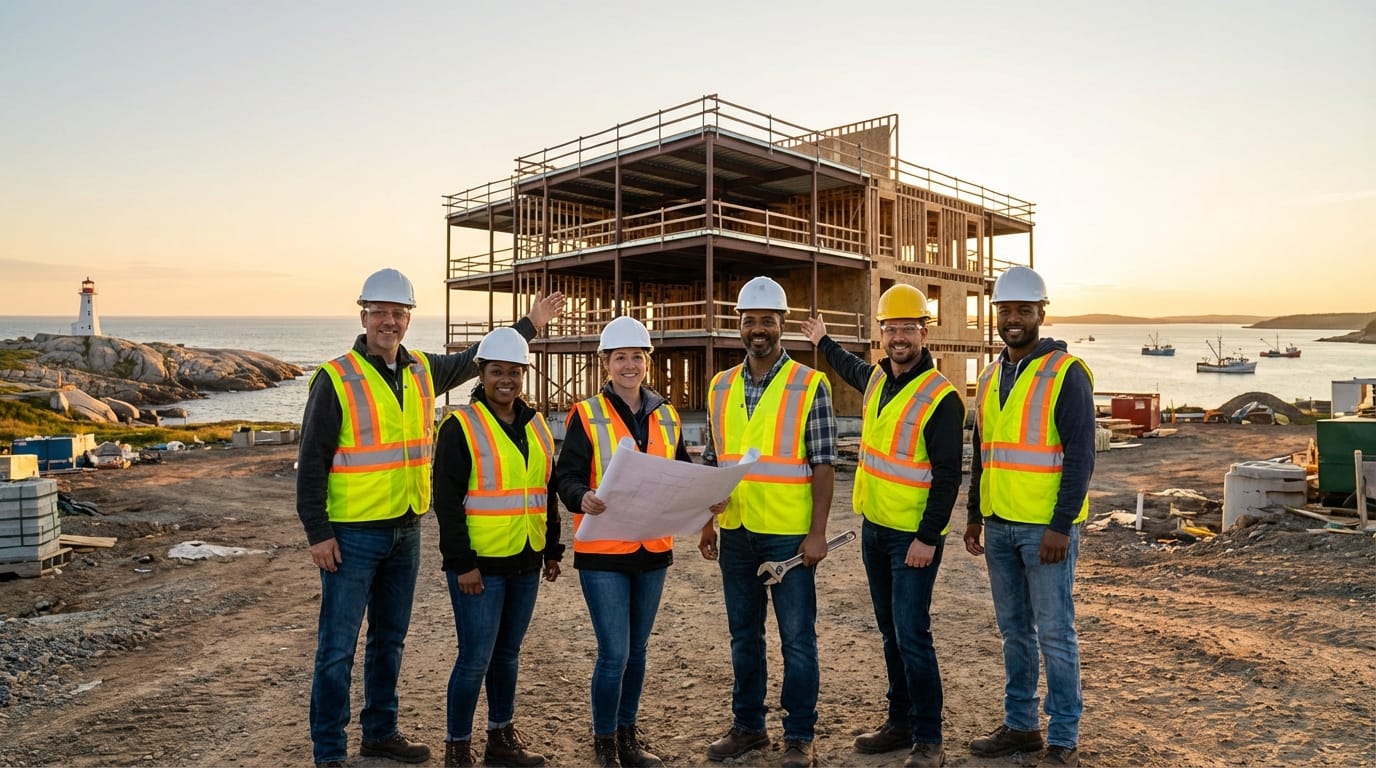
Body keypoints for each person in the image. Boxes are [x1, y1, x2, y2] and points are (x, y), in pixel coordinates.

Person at [296, 268, 563, 768]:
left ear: (408, 319)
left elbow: (475, 362)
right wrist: (318, 530)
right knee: (337, 648)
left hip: (406, 529)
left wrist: (528, 325)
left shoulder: (422, 368)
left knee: (389, 639)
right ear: (364, 316)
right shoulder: (337, 378)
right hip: (352, 533)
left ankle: (380, 731)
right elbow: (311, 461)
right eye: (380, 312)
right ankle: (329, 753)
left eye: (398, 314)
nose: (389, 322)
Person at [800, 284, 963, 768]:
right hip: (874, 528)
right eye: (891, 329)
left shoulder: (941, 397)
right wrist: (824, 342)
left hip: (912, 538)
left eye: (908, 329)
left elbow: (949, 475)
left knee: (913, 633)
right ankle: (900, 722)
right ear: (882, 334)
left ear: (924, 332)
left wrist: (927, 539)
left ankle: (929, 739)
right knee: (891, 632)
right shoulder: (876, 379)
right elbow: (850, 368)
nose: (899, 338)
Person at [698, 276, 837, 768]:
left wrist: (817, 532)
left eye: (768, 322)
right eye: (750, 320)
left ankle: (799, 734)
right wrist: (705, 524)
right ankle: (749, 727)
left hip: (788, 533)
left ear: (782, 326)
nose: (758, 330)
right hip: (736, 531)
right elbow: (715, 462)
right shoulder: (720, 386)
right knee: (744, 636)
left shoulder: (809, 384)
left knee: (797, 638)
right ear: (739, 325)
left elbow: (823, 464)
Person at [963, 265, 1095, 768]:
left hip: (1046, 529)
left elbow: (1081, 455)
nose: (1013, 319)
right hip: (998, 525)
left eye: (1023, 310)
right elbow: (984, 450)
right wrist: (975, 513)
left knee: (1056, 631)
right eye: (1005, 310)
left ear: (1042, 313)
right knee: (1014, 630)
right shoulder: (991, 375)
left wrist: (1061, 525)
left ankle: (1063, 736)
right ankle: (1021, 726)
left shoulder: (1066, 373)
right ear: (996, 314)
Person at [553, 315, 693, 768]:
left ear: (647, 361)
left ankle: (629, 737)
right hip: (604, 551)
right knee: (614, 652)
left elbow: (682, 474)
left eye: (637, 356)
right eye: (620, 358)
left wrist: (707, 500)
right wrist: (582, 496)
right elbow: (566, 476)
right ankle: (605, 743)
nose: (629, 365)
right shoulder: (586, 414)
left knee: (637, 651)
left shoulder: (667, 414)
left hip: (652, 549)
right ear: (605, 364)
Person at [432, 327, 564, 768]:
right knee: (475, 659)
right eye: (496, 371)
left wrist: (552, 550)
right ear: (481, 374)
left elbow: (544, 489)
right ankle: (456, 748)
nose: (505, 379)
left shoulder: (537, 424)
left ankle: (500, 740)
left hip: (526, 561)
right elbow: (446, 502)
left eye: (514, 372)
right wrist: (461, 563)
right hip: (479, 567)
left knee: (507, 656)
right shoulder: (460, 425)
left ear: (523, 375)